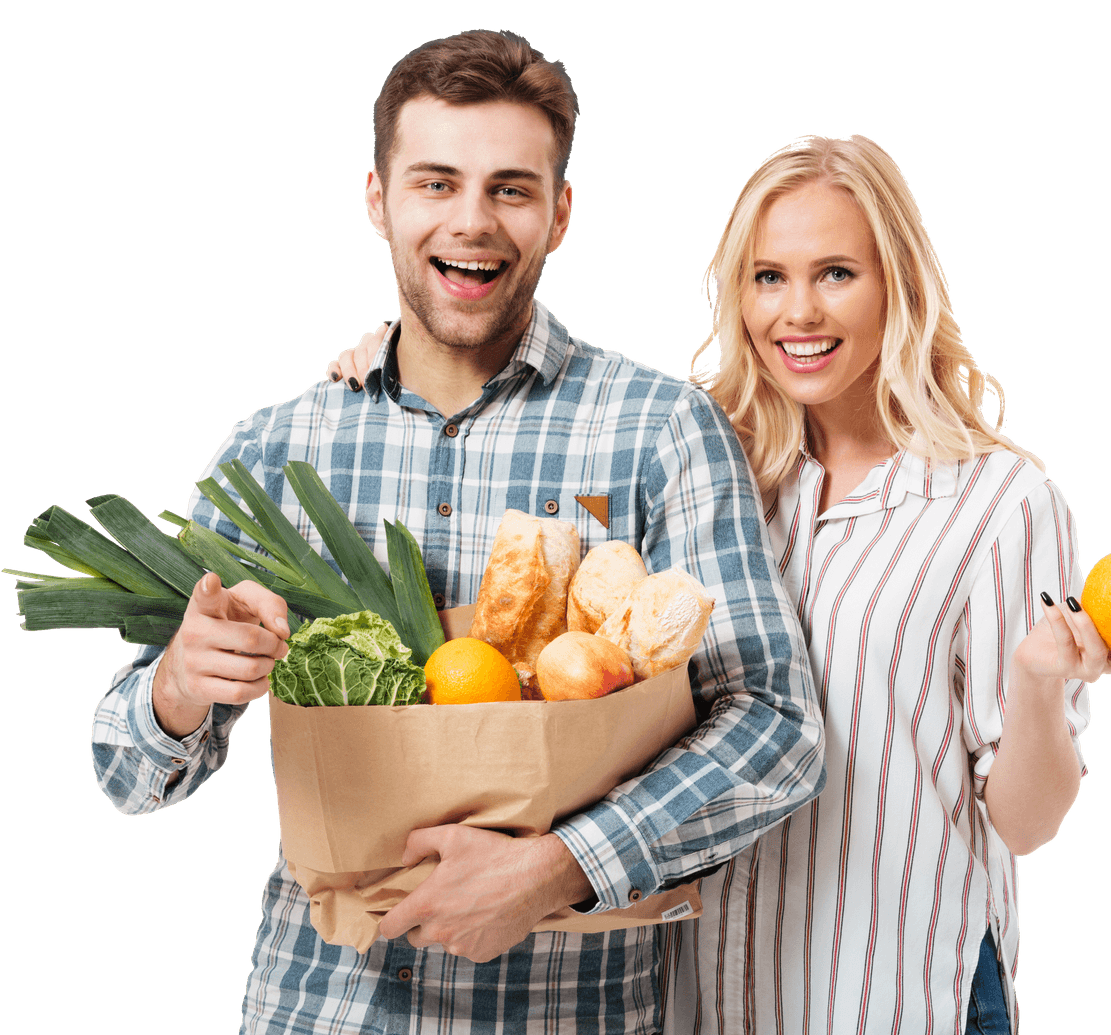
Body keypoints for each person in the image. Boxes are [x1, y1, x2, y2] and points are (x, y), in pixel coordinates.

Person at [330, 133, 1111, 1034]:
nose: (798, 313)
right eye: (768, 277)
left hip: (897, 997)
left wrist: (1036, 682)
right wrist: (392, 363)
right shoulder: (711, 470)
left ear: (898, 282)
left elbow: (1024, 824)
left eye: (836, 274)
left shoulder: (999, 501)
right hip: (706, 1002)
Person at [89, 30, 825, 1035]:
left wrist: (560, 867)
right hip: (315, 1007)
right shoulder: (276, 451)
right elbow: (128, 774)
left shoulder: (658, 430)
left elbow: (776, 727)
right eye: (436, 183)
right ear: (379, 200)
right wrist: (178, 687)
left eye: (512, 189)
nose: (472, 223)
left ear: (559, 213)